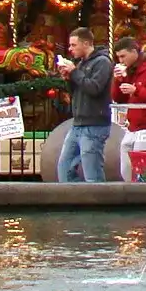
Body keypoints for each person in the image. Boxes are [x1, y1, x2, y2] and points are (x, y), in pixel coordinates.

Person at [54, 27, 116, 182]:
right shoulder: (81, 63)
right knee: (64, 167)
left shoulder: (102, 62)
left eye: (74, 45)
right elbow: (77, 91)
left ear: (86, 43)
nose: (70, 49)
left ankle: (97, 203)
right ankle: (74, 201)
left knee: (92, 173)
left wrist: (74, 72)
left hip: (94, 124)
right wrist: (68, 78)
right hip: (77, 124)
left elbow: (94, 88)